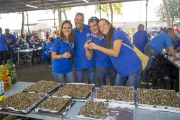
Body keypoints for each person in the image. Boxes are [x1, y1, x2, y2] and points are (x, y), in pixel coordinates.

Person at [89, 19, 142, 90]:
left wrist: (97, 47)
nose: (102, 27)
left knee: (133, 92)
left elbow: (115, 53)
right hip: (121, 70)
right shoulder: (108, 38)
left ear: (109, 25)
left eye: (104, 24)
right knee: (117, 91)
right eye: (100, 26)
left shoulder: (117, 33)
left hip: (132, 67)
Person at [84, 17, 117, 87]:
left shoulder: (107, 34)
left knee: (115, 86)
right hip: (100, 67)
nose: (93, 28)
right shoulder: (90, 38)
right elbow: (89, 57)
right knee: (102, 88)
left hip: (112, 65)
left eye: (95, 25)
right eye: (91, 26)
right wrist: (86, 49)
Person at [73, 13, 95, 84]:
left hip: (91, 63)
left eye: (81, 20)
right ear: (74, 20)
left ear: (83, 21)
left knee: (92, 85)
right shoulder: (72, 32)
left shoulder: (90, 28)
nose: (79, 21)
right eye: (77, 19)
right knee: (79, 86)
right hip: (79, 64)